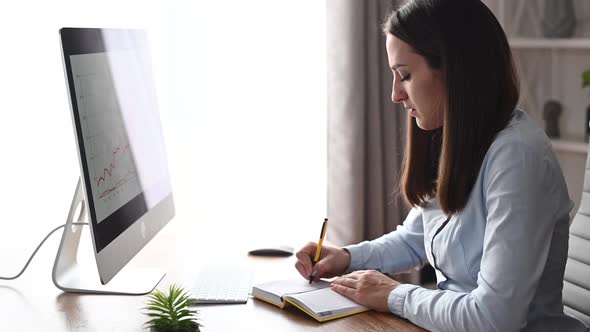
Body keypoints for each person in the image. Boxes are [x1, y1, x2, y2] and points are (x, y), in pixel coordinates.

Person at [295, 0, 589, 331]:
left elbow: (494, 318)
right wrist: (347, 258)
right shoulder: (458, 140)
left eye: (404, 75)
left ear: (453, 69)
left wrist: (394, 294)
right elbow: (415, 239)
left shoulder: (518, 158)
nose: (395, 94)